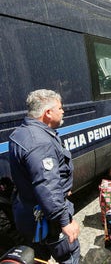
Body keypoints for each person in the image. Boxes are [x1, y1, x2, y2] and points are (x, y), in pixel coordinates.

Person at [9, 89, 80, 263]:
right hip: (47, 219)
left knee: (39, 257)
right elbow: (47, 186)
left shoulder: (22, 132)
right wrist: (65, 222)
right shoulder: (40, 143)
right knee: (69, 254)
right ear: (48, 113)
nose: (63, 111)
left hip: (27, 212)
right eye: (60, 108)